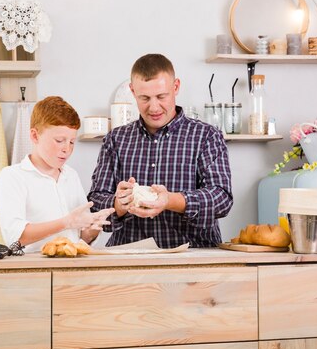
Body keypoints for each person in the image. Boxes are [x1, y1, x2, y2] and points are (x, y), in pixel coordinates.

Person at [88, 54, 233, 248]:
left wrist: (171, 200)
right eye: (144, 98)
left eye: (161, 96)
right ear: (132, 91)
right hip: (130, 260)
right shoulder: (115, 139)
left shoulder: (206, 136)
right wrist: (118, 204)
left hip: (194, 258)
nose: (154, 107)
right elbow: (95, 203)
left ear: (176, 87)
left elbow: (222, 199)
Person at [0, 96, 114, 254]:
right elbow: (15, 236)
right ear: (35, 136)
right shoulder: (13, 176)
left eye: (72, 142)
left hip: (71, 268)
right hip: (33, 270)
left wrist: (92, 228)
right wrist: (66, 222)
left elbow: (80, 237)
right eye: (59, 140)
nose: (67, 149)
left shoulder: (71, 175)